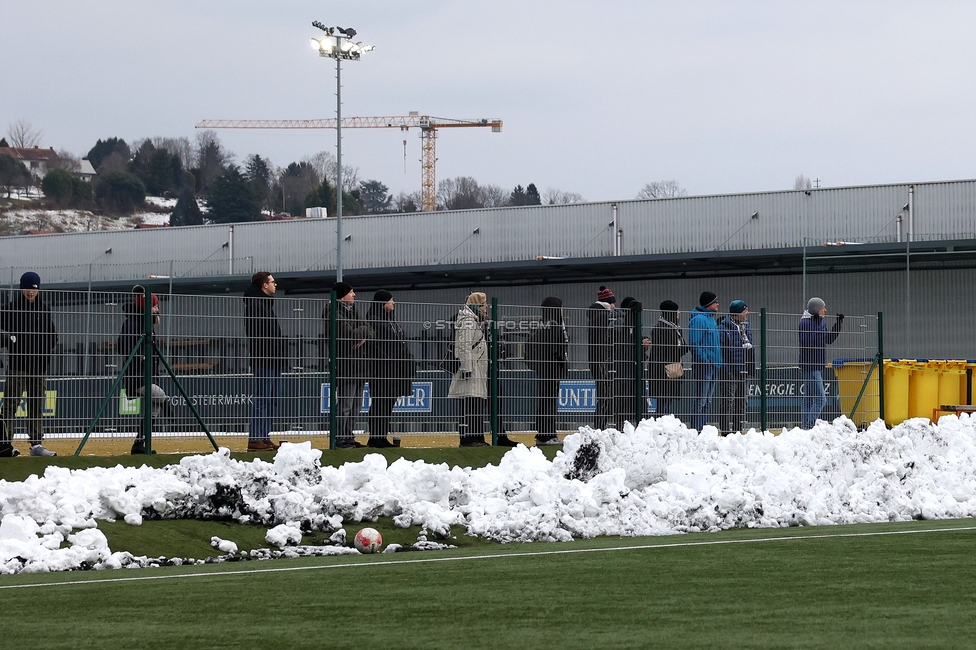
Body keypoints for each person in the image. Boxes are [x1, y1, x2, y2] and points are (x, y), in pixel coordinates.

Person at [0, 271, 58, 457]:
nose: (30, 293)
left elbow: (52, 336)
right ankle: (4, 443)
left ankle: (36, 444)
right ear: (21, 288)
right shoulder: (10, 309)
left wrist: (45, 353)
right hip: (17, 365)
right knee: (10, 404)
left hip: (38, 367)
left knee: (36, 404)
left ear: (38, 289)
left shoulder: (44, 309)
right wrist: (10, 340)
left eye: (34, 289)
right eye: (27, 289)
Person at [448, 292, 516, 447]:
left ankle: (482, 436)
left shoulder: (479, 320)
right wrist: (467, 367)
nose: (487, 307)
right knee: (472, 403)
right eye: (485, 304)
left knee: (482, 402)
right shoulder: (468, 321)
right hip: (473, 369)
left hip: (483, 367)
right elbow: (464, 345)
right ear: (478, 305)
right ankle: (469, 438)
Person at [323, 282, 374, 449]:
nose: (354, 295)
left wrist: (364, 334)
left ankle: (349, 436)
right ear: (342, 295)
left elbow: (371, 331)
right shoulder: (333, 313)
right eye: (351, 292)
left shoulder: (354, 311)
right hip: (346, 366)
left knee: (356, 406)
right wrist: (363, 332)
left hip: (360, 366)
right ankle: (338, 437)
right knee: (345, 404)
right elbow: (349, 334)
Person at [118, 286, 167, 455]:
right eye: (154, 306)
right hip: (137, 377)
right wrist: (140, 355)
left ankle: (139, 444)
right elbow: (123, 346)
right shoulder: (133, 324)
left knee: (154, 409)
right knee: (161, 396)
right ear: (146, 307)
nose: (157, 309)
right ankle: (174, 417)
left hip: (147, 375)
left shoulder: (143, 323)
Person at [243, 271, 287, 452]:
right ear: (264, 285)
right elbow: (259, 335)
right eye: (272, 282)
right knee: (263, 399)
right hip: (264, 359)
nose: (275, 285)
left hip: (273, 359)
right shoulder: (256, 305)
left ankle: (264, 437)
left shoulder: (265, 305)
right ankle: (256, 438)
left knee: (271, 399)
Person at [365, 290, 415, 448]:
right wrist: (386, 357)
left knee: (388, 402)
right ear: (383, 303)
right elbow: (375, 345)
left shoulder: (390, 320)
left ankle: (382, 436)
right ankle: (375, 437)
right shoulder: (374, 320)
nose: (393, 303)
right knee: (380, 402)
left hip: (395, 368)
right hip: (381, 368)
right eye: (391, 301)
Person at [523, 297, 569, 446]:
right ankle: (545, 435)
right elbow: (557, 350)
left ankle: (549, 433)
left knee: (547, 401)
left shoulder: (542, 326)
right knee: (547, 402)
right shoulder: (552, 327)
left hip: (546, 369)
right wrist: (558, 372)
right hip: (550, 370)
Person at [799, 297, 844, 429]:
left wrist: (838, 324)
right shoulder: (806, 323)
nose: (825, 310)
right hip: (810, 366)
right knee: (821, 399)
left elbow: (827, 339)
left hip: (816, 364)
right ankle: (808, 426)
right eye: (823, 307)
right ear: (816, 310)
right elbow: (808, 342)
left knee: (809, 398)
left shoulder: (819, 322)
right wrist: (820, 333)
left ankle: (805, 428)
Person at [717, 300, 755, 436]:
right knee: (728, 400)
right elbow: (721, 351)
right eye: (745, 311)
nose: (748, 313)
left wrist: (751, 368)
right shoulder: (724, 328)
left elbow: (751, 348)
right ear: (737, 313)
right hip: (731, 371)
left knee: (741, 401)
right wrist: (727, 369)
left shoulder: (746, 327)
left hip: (744, 371)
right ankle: (725, 431)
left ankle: (738, 429)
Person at [647, 300, 690, 418]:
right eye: (677, 311)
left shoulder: (675, 328)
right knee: (663, 400)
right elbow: (663, 350)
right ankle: (659, 422)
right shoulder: (660, 328)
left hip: (673, 369)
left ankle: (664, 422)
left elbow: (680, 346)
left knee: (668, 398)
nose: (679, 313)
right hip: (663, 370)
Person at [689, 291, 721, 432]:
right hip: (705, 366)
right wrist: (706, 360)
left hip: (714, 365)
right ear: (709, 304)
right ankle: (697, 429)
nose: (718, 304)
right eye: (715, 302)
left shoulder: (711, 320)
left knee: (707, 401)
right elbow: (694, 344)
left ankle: (702, 427)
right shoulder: (698, 320)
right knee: (700, 400)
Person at [587, 286, 616, 429]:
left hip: (596, 359)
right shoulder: (602, 316)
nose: (614, 306)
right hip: (601, 359)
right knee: (605, 394)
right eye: (613, 303)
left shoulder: (595, 314)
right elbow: (604, 339)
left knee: (605, 394)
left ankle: (600, 425)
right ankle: (599, 426)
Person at [615, 297, 646, 426]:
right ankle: (621, 424)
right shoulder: (620, 323)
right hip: (624, 366)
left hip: (636, 366)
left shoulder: (635, 323)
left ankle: (640, 423)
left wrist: (642, 341)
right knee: (624, 395)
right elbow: (622, 342)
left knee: (639, 394)